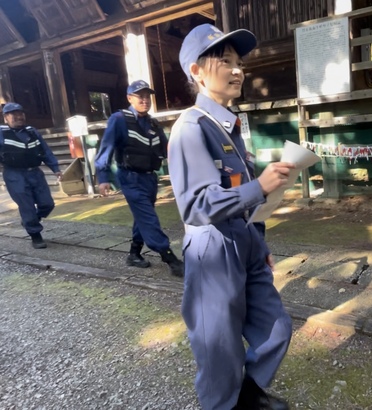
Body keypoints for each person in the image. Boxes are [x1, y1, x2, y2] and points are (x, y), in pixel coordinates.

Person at [168, 24, 294, 410]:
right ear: (197, 71)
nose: (237, 70)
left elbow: (241, 195)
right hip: (212, 249)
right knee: (219, 352)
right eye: (224, 61)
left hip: (245, 242)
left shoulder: (231, 127)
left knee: (277, 329)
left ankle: (248, 396)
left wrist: (260, 241)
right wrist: (262, 186)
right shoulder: (190, 128)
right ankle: (224, 402)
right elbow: (197, 205)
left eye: (239, 63)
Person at [94, 80, 183, 277]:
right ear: (129, 98)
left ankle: (134, 253)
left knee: (143, 216)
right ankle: (170, 259)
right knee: (149, 218)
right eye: (139, 96)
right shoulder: (119, 119)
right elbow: (105, 149)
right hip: (130, 178)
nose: (144, 100)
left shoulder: (152, 123)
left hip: (150, 178)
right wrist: (103, 177)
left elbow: (169, 150)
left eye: (147, 96)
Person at [0, 102, 62, 249]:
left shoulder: (32, 131)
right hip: (14, 175)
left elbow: (45, 150)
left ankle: (33, 219)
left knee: (47, 203)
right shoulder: (2, 133)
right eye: (13, 114)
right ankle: (35, 235)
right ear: (5, 118)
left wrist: (55, 168)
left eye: (20, 113)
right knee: (26, 206)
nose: (18, 117)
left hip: (35, 172)